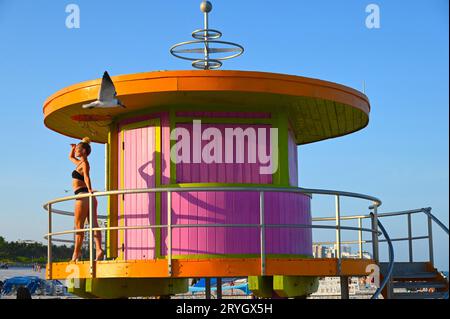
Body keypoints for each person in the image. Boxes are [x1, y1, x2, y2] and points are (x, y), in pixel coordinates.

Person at [69, 137, 104, 261]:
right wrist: (72, 149)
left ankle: (76, 254)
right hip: (89, 198)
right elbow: (71, 158)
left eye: (78, 149)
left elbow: (87, 177)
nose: (77, 151)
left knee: (79, 227)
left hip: (82, 195)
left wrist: (89, 190)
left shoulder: (84, 164)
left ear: (84, 151)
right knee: (93, 224)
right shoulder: (79, 163)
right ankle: (99, 249)